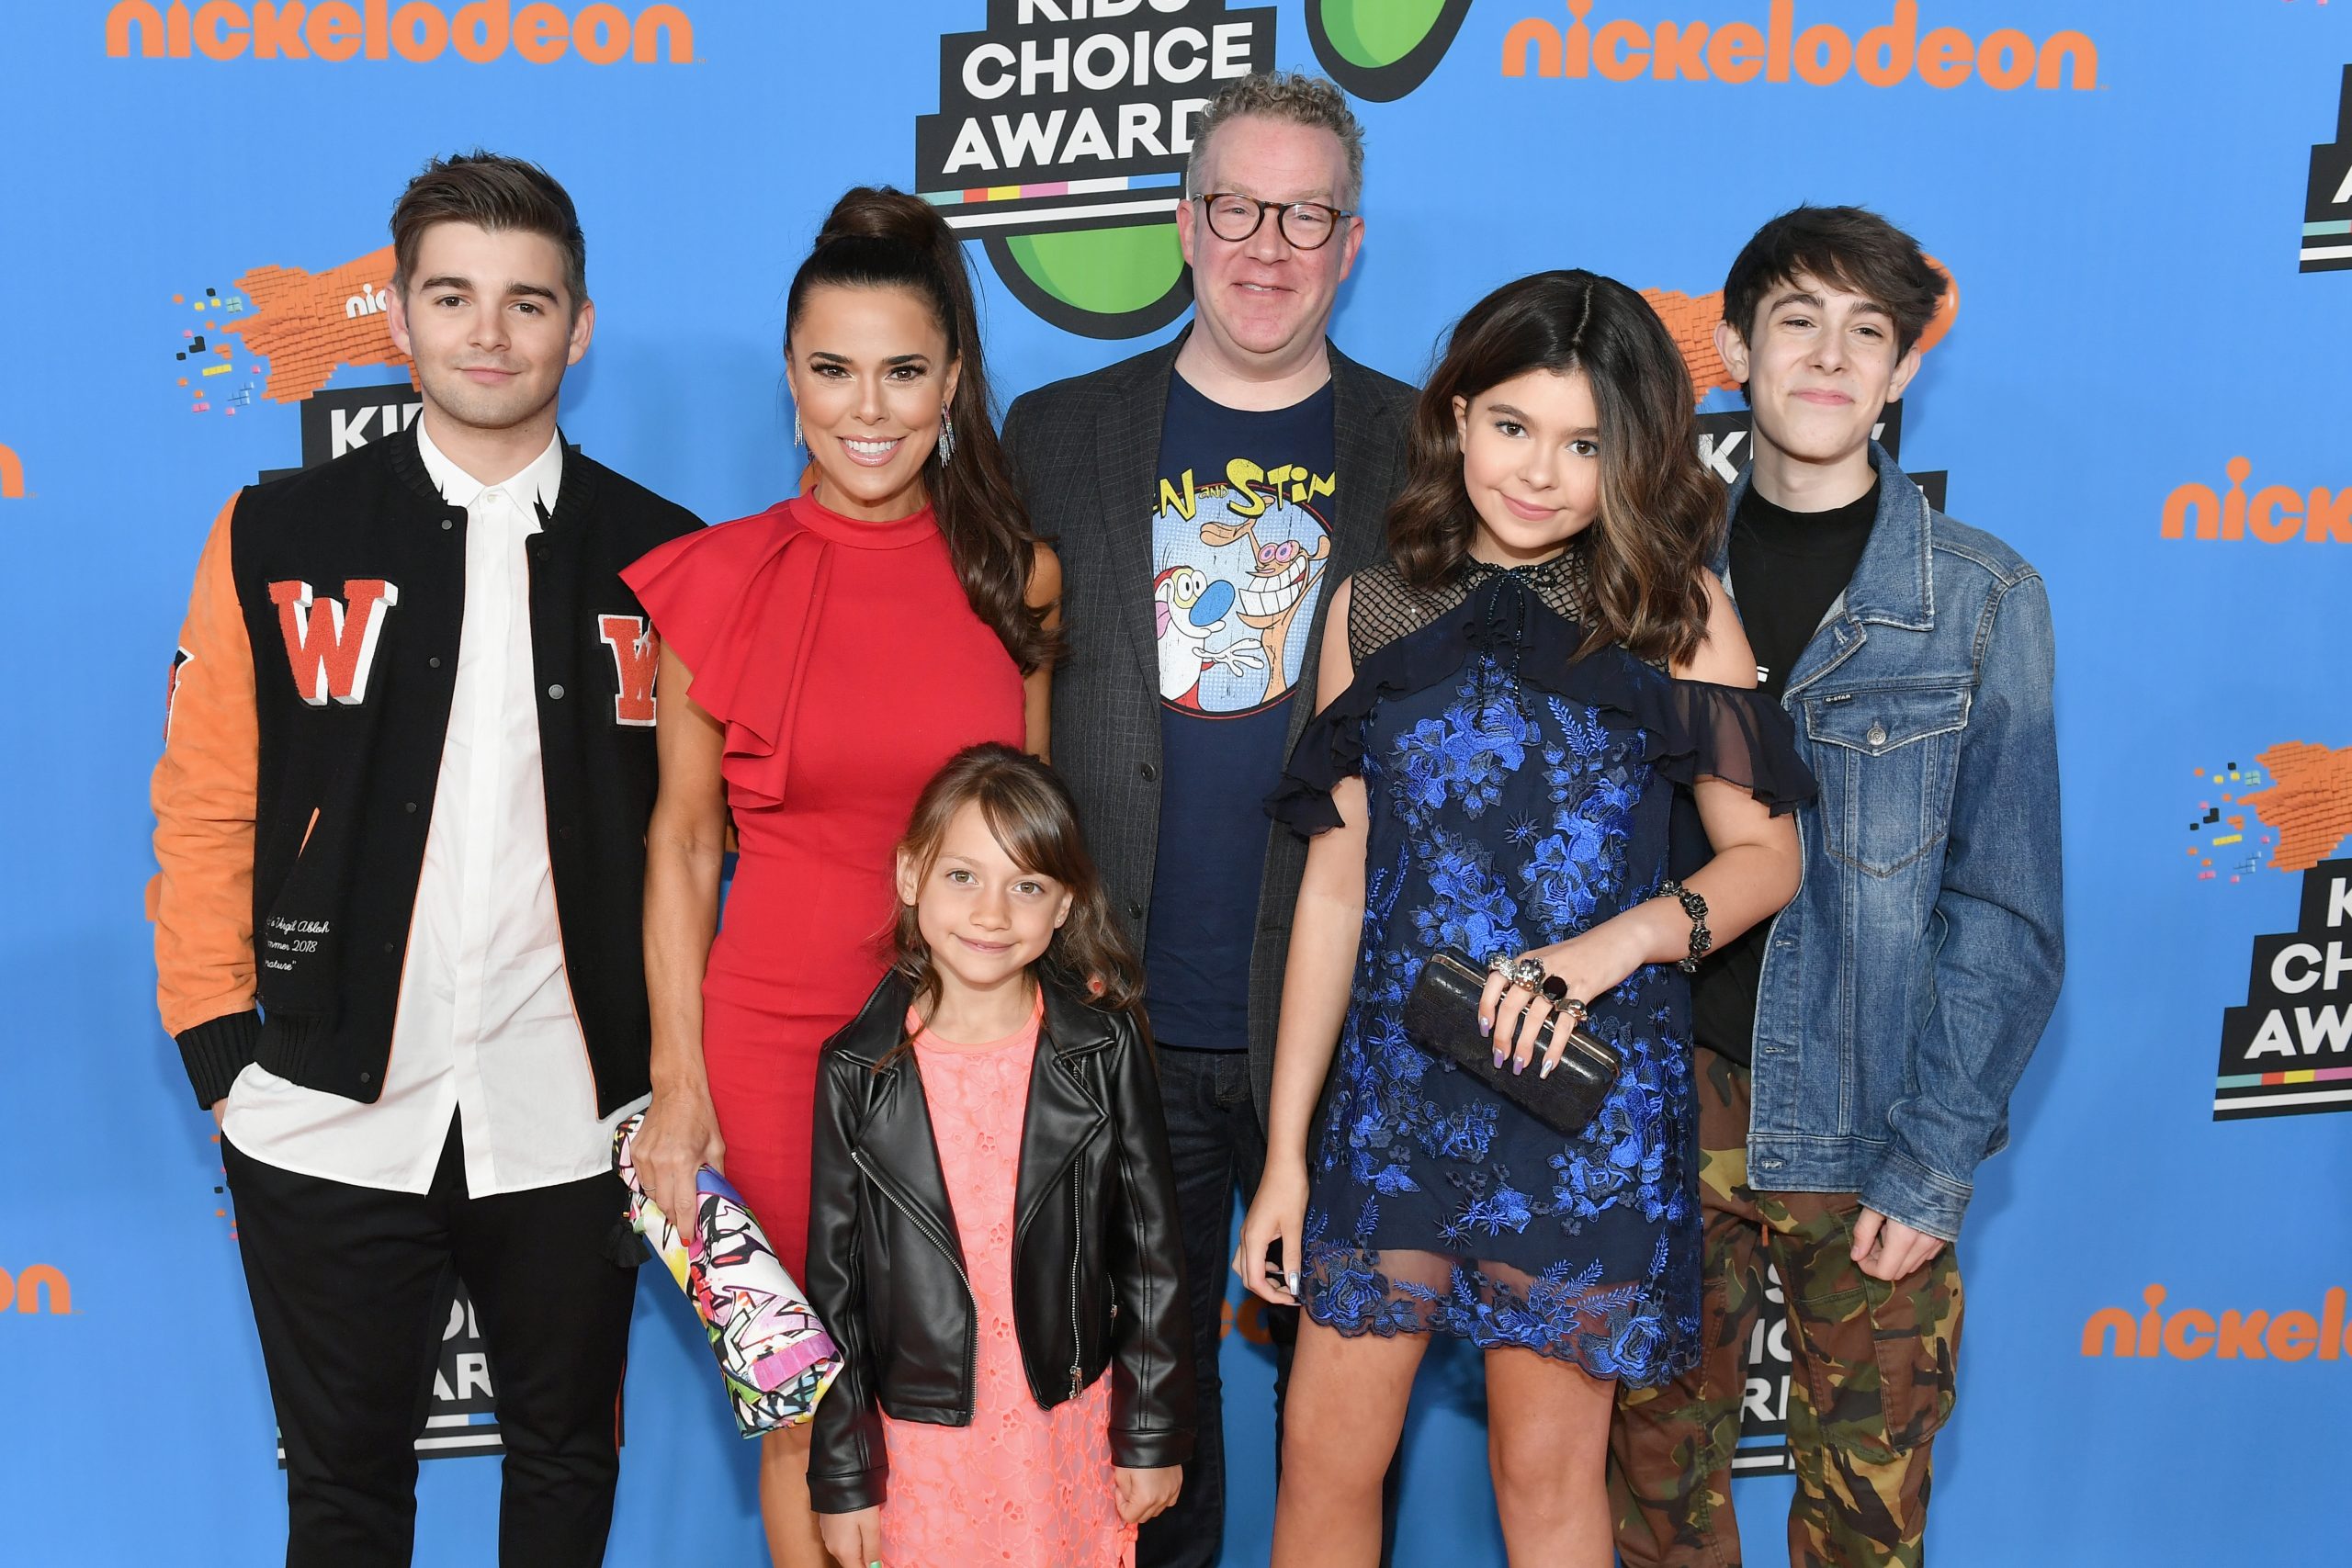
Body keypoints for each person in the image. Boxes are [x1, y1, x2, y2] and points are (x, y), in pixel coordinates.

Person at [151, 152, 701, 1567]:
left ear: (580, 325)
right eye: (452, 296)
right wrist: (223, 1048)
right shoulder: (275, 532)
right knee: (342, 1499)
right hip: (321, 1108)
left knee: (567, 1467)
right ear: (396, 316)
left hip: (578, 1111)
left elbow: (700, 839)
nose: (488, 333)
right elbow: (207, 801)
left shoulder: (670, 559)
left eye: (528, 301)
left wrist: (676, 1076)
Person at [1235, 270, 1815, 1567]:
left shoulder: (1671, 612)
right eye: (1511, 425)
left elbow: (1766, 858)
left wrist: (1611, 947)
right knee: (1323, 1462)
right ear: (1456, 417)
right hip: (1394, 1100)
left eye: (1585, 443)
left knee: (1544, 1485)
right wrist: (1285, 1152)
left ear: (1634, 454)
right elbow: (1336, 885)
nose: (1540, 473)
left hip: (1576, 1105)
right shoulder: (1371, 608)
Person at [1001, 70, 1418, 1565]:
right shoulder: (1055, 432)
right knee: (1146, 1433)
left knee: (1344, 1427)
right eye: (1238, 209)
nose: (1267, 247)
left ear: (1350, 243)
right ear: (1186, 223)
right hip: (1118, 1011)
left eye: (1305, 217)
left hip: (1351, 1025)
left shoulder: (1430, 448)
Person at [1611, 205, 2064, 1568]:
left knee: (1867, 1532)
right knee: (1654, 1515)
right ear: (1734, 348)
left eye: (1868, 331)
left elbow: (2008, 917)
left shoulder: (1981, 598)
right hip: (1657, 1111)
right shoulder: (1641, 575)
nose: (1828, 356)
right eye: (1797, 320)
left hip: (1873, 1122)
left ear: (1905, 368)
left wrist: (1932, 1164)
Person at [622, 186, 1060, 1567]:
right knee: (807, 1411)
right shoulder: (716, 581)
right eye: (832, 369)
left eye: (903, 371)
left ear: (952, 382)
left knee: (967, 1402)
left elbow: (1036, 850)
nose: (867, 408)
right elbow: (684, 843)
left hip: (969, 1049)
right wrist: (678, 1085)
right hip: (768, 1046)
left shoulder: (1017, 579)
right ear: (791, 378)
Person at [804, 743, 1195, 1568]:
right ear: (911, 875)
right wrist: (845, 1475)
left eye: (1027, 886)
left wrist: (1151, 1429)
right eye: (963, 876)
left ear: (1064, 905)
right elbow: (836, 1294)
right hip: (924, 1445)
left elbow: (1152, 1256)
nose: (991, 913)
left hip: (1064, 1428)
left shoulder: (1102, 1048)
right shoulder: (855, 1071)